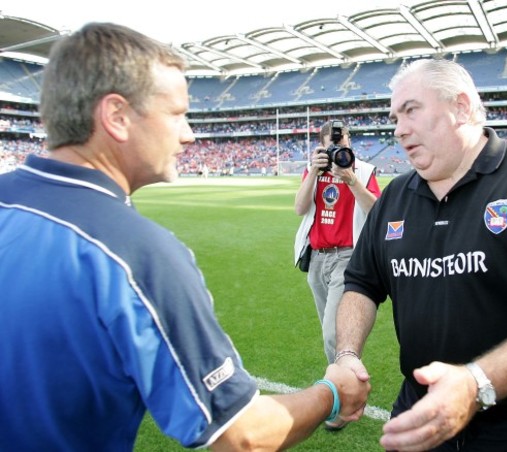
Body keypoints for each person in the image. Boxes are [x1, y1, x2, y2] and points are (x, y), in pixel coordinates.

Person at [0, 23, 369, 451]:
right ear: (117, 116)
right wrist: (333, 390)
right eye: (176, 113)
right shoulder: (135, 253)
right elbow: (241, 435)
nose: (189, 133)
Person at [334, 58, 507, 451]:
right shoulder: (395, 196)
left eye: (411, 110)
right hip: (422, 418)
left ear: (461, 107)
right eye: (395, 116)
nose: (399, 129)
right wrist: (347, 354)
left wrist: (476, 383)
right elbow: (362, 283)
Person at [294, 121, 380, 362]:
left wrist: (351, 179)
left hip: (347, 257)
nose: (339, 150)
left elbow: (376, 212)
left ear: (349, 141)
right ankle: (345, 381)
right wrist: (313, 171)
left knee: (335, 334)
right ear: (321, 147)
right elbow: (300, 209)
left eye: (343, 143)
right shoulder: (313, 170)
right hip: (317, 259)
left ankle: (346, 388)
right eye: (332, 146)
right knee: (330, 333)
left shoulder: (362, 171)